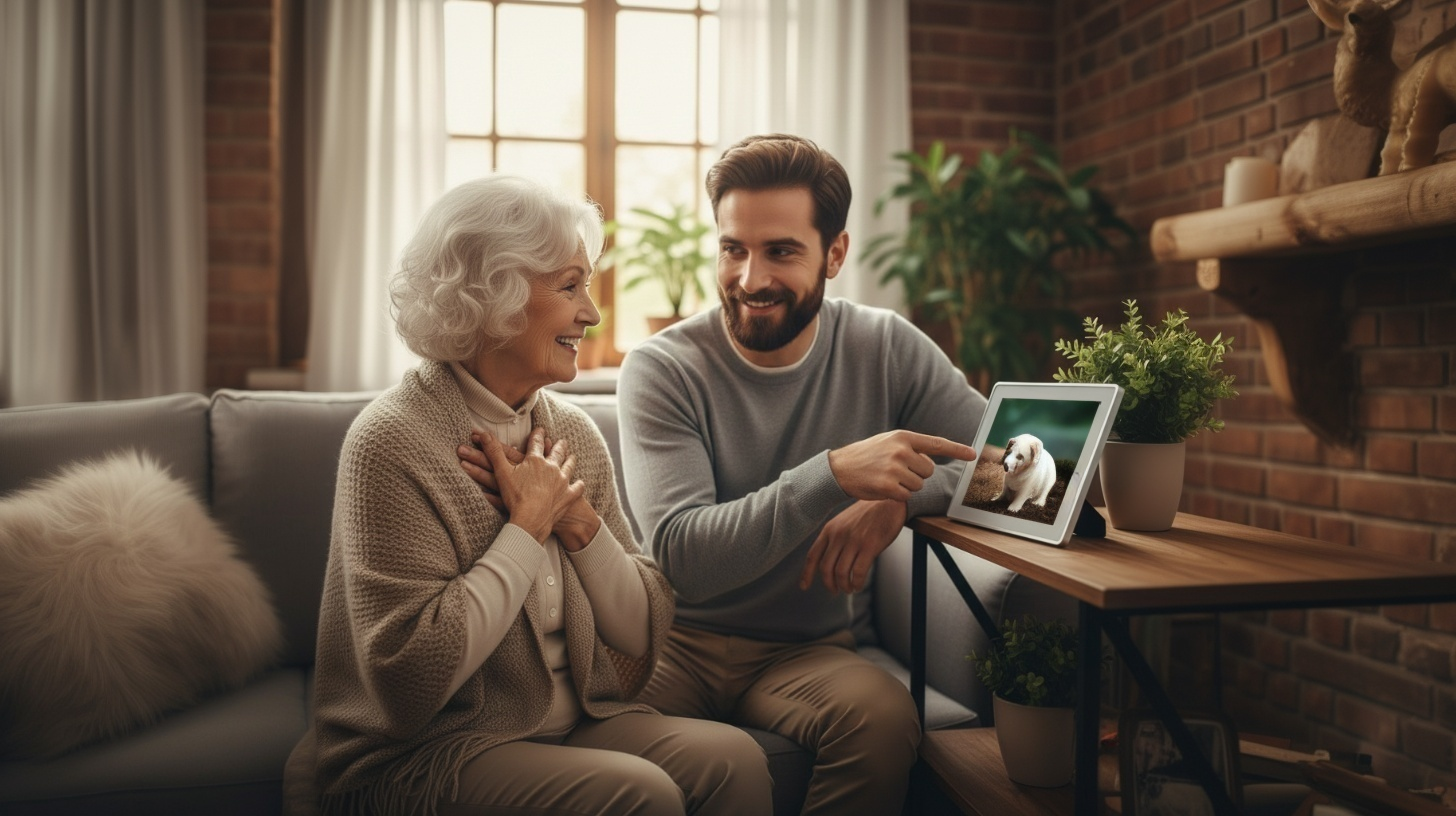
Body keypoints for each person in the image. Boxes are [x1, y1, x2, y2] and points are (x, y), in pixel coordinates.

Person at [294, 175, 772, 816]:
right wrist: (527, 525)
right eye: (569, 286)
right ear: (494, 297)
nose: (592, 313)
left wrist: (577, 522)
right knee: (644, 796)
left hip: (576, 720)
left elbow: (639, 632)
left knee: (735, 759)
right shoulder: (390, 442)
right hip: (430, 747)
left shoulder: (570, 430)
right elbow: (408, 675)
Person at [616, 133, 987, 816]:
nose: (751, 278)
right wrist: (838, 475)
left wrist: (899, 501)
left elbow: (997, 460)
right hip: (673, 643)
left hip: (805, 653)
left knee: (883, 716)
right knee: (565, 718)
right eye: (734, 249)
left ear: (835, 253)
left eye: (781, 251)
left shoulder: (885, 346)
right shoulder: (661, 368)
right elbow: (683, 558)